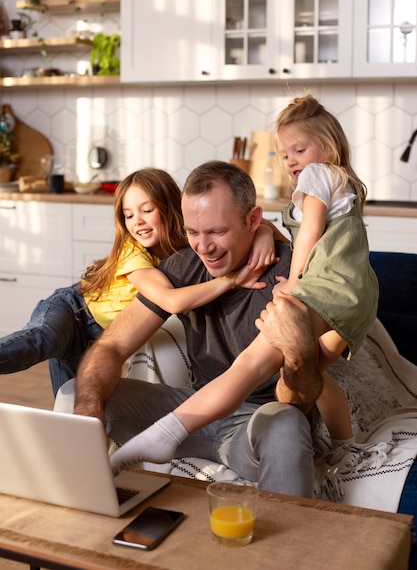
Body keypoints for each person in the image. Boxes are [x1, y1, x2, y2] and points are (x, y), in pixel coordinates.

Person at [109, 95, 379, 476]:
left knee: (251, 362)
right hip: (357, 294)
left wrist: (294, 283)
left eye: (299, 150)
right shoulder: (342, 183)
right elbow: (320, 237)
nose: (291, 162)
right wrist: (268, 233)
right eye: (285, 154)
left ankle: (167, 433)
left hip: (328, 288)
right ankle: (345, 449)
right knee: (317, 373)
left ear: (329, 146)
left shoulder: (318, 176)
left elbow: (311, 233)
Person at [72, 160, 320, 497]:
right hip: (193, 409)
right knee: (78, 393)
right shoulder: (183, 267)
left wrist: (300, 357)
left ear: (253, 220)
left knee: (288, 422)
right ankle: (76, 515)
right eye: (192, 232)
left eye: (217, 232)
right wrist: (88, 413)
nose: (203, 247)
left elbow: (303, 399)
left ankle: (290, 545)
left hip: (256, 422)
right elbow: (111, 347)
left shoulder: (292, 274)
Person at [1, 167, 274, 396]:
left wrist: (262, 231)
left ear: (170, 207)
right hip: (73, 312)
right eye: (128, 215)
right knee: (40, 340)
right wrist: (232, 280)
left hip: (98, 337)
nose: (137, 222)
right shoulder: (132, 251)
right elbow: (170, 301)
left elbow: (254, 223)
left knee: (74, 413)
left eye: (146, 210)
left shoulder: (188, 243)